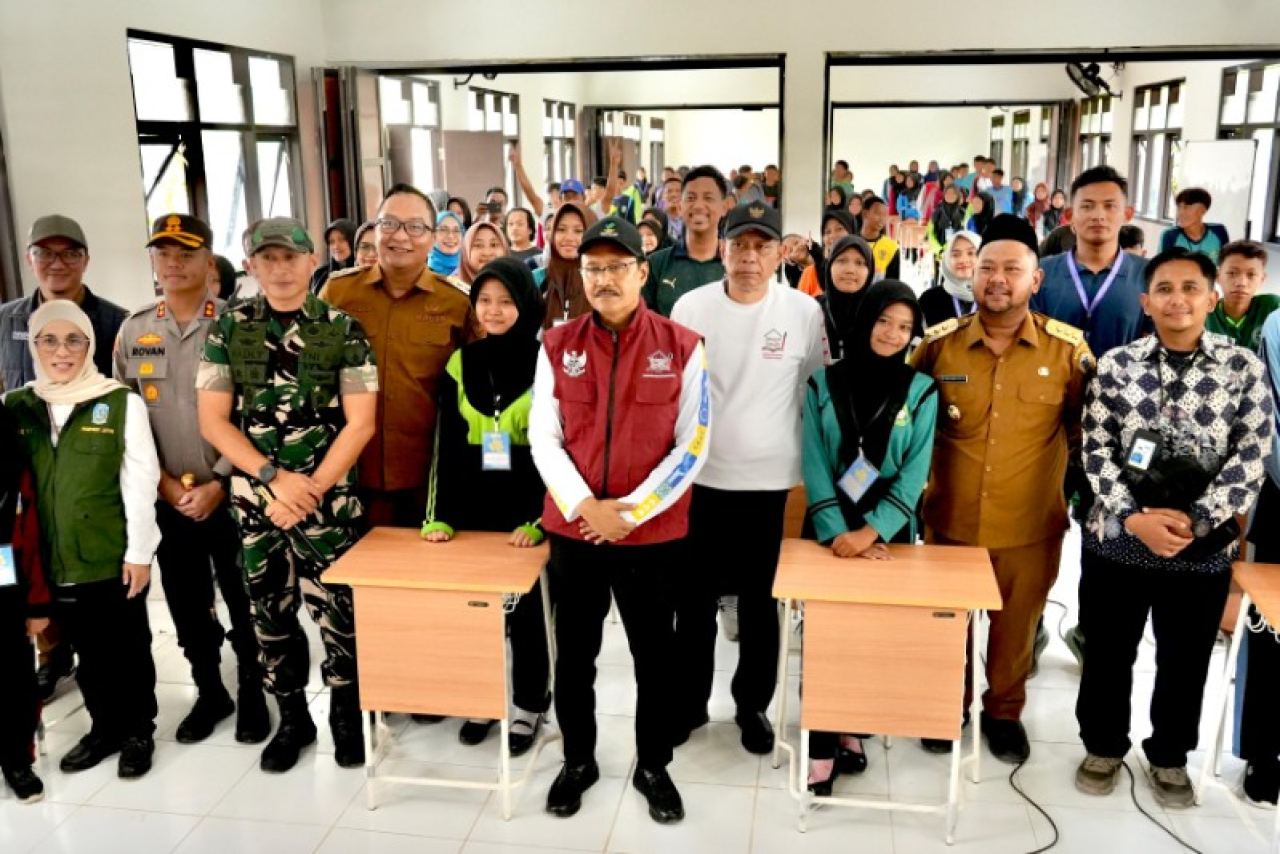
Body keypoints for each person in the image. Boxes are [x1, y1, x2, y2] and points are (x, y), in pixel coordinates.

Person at [1073, 247, 1271, 808]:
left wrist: (1195, 519)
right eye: (1164, 288)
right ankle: (1103, 746)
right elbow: (1096, 450)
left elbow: (1250, 457)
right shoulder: (1116, 366)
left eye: (1190, 288)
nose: (1176, 299)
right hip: (1119, 543)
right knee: (1110, 651)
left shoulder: (1243, 369)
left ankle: (1169, 756)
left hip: (1200, 548)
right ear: (1146, 300)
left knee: (1184, 660)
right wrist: (1134, 519)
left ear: (1211, 298)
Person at [529, 216, 711, 824]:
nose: (604, 279)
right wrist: (588, 508)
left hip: (652, 536)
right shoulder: (556, 345)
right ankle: (577, 760)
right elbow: (543, 439)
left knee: (655, 658)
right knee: (574, 657)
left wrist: (630, 513)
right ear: (581, 276)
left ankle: (653, 764)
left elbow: (694, 444)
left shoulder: (682, 345)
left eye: (616, 267)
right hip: (575, 530)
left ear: (641, 271)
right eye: (593, 269)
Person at [198, 217, 378, 773]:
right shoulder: (227, 331)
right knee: (268, 613)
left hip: (329, 504)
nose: (279, 268)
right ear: (251, 265)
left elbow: (362, 423)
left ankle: (346, 717)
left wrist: (312, 487)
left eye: (290, 257)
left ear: (310, 261)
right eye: (267, 258)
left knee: (339, 613)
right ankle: (292, 718)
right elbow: (213, 420)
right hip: (258, 504)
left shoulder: (345, 329)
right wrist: (274, 477)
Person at [911, 215, 1093, 762]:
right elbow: (906, 423)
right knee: (949, 625)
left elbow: (1087, 434)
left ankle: (1003, 713)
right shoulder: (938, 347)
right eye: (987, 267)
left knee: (1016, 631)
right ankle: (949, 704)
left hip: (1029, 524)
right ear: (972, 275)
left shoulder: (1067, 352)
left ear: (1035, 280)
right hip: (950, 519)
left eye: (1012, 269)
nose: (997, 279)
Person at [670, 204, 827, 755]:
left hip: (771, 486)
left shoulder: (804, 311)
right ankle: (689, 703)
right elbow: (675, 392)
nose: (750, 258)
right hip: (700, 481)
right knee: (692, 605)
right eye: (740, 246)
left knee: (761, 607)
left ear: (780, 252)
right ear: (723, 249)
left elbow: (814, 393)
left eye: (762, 247)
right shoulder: (691, 306)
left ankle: (751, 705)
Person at [114, 214, 268, 747]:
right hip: (166, 498)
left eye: (186, 253)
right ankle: (210, 689)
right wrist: (163, 487)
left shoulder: (241, 324)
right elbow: (124, 422)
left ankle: (252, 688)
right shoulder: (134, 330)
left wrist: (220, 481)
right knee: (185, 601)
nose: (174, 264)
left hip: (232, 493)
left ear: (209, 262)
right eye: (163, 254)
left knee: (243, 597)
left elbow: (256, 413)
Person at [7, 301, 162, 779]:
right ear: (33, 346)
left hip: (109, 554)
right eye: (48, 340)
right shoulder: (17, 406)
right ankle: (104, 728)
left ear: (90, 345)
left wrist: (139, 552)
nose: (61, 351)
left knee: (126, 648)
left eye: (73, 339)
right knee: (84, 655)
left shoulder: (119, 402)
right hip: (48, 561)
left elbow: (141, 481)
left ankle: (138, 730)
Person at [801, 280, 937, 794]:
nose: (893, 334)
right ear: (865, 321)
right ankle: (820, 742)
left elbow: (914, 472)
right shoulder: (822, 383)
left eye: (905, 327)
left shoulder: (921, 391)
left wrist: (870, 531)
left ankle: (853, 728)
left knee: (872, 639)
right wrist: (840, 532)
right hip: (828, 529)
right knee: (826, 636)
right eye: (884, 321)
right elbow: (813, 462)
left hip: (889, 534)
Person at [421, 257, 551, 755]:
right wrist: (439, 515)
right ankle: (483, 698)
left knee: (529, 618)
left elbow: (560, 450)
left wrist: (541, 521)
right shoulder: (462, 363)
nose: (494, 311)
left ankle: (529, 704)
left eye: (506, 301)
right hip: (473, 511)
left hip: (526, 511)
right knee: (477, 611)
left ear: (527, 304)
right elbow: (445, 447)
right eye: (485, 301)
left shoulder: (548, 362)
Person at [0, 215, 129, 704]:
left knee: (95, 582)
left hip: (92, 465)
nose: (57, 264)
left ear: (85, 260)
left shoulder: (115, 320)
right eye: (45, 253)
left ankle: (107, 673)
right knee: (37, 567)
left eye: (69, 254)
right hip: (27, 467)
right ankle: (54, 656)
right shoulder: (7, 319)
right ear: (30, 259)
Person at [320, 185, 477, 528]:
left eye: (415, 227)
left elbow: (476, 385)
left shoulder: (457, 303)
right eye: (389, 224)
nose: (401, 236)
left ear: (433, 236)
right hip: (350, 473)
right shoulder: (338, 292)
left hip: (428, 477)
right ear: (375, 230)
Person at [0, 405, 46, 802]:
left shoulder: (5, 430)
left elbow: (27, 524)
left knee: (13, 675)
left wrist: (37, 603)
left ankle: (17, 758)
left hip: (5, 572)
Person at [1244, 308, 1280, 807]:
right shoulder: (1276, 328)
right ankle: (1263, 751)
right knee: (1271, 634)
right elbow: (1263, 419)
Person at [642, 165, 728, 317]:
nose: (699, 206)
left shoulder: (736, 265)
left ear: (724, 207)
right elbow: (645, 323)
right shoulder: (656, 264)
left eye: (708, 198)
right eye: (691, 198)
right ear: (680, 206)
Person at [1204, 240, 1278, 351]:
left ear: (1262, 279)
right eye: (1232, 273)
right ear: (1217, 276)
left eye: (1251, 274)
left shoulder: (1272, 307)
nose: (1241, 282)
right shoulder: (1204, 314)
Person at [535, 202, 596, 330]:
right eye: (561, 229)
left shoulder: (601, 280)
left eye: (578, 231)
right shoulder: (539, 279)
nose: (568, 238)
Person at [816, 235, 874, 361]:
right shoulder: (812, 310)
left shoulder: (878, 314)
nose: (850, 270)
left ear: (870, 271)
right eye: (842, 261)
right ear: (829, 265)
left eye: (860, 263)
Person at [919, 230, 981, 328]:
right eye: (955, 255)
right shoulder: (929, 299)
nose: (963, 260)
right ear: (947, 259)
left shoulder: (993, 298)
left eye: (971, 253)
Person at [1159, 188, 1230, 264]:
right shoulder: (1170, 235)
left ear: (1203, 210)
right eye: (1179, 207)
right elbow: (1161, 268)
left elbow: (1226, 263)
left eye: (1187, 207)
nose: (1181, 213)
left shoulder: (1219, 232)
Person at [797, 209, 854, 298]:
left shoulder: (868, 269)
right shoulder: (812, 272)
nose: (832, 236)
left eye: (839, 229)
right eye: (827, 232)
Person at [307, 219, 357, 294]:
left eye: (342, 240)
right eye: (331, 242)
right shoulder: (320, 274)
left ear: (353, 241)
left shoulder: (362, 273)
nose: (336, 246)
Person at [859, 197, 901, 282]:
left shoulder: (892, 247)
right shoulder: (851, 243)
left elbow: (893, 283)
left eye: (885, 215)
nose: (882, 218)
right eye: (877, 213)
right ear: (865, 213)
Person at [458, 221, 509, 287]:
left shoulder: (518, 288)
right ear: (466, 252)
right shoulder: (453, 291)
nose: (487, 253)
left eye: (494, 245)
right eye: (478, 245)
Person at [926, 183, 967, 260]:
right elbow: (930, 234)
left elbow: (965, 233)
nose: (950, 195)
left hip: (957, 254)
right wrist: (940, 251)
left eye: (953, 193)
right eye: (947, 193)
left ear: (958, 196)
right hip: (939, 255)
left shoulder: (963, 213)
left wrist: (952, 250)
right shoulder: (936, 213)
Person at [429, 210, 466, 277]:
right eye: (443, 230)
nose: (450, 236)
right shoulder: (421, 272)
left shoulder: (470, 272)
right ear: (433, 235)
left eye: (456, 231)